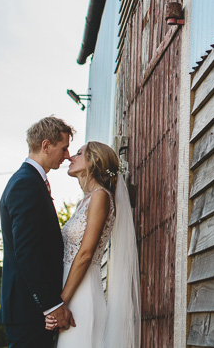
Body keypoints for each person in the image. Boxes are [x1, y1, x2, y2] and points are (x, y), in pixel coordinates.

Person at [45, 141, 140, 348]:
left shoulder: (100, 197)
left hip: (82, 295)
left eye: (79, 153)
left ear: (95, 160)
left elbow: (86, 253)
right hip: (73, 290)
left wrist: (61, 302)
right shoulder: (85, 201)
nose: (70, 157)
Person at [0, 116, 76, 347]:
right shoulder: (26, 184)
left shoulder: (31, 181)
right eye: (63, 148)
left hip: (31, 308)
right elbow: (27, 251)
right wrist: (51, 305)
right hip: (28, 308)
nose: (67, 156)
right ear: (45, 145)